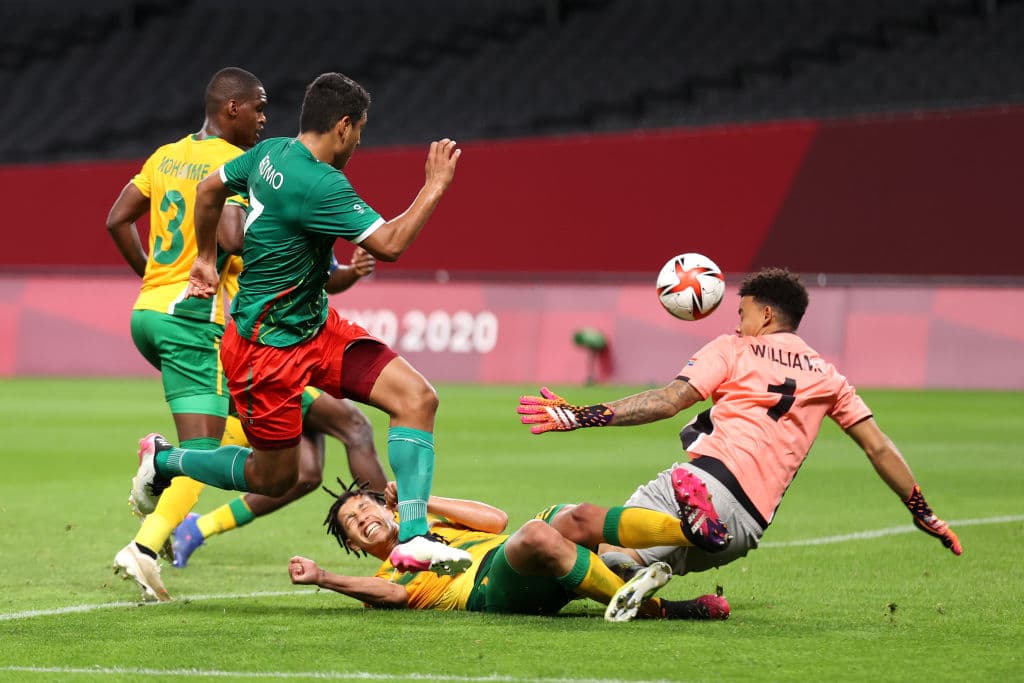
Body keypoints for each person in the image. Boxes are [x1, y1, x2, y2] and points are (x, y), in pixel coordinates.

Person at [129, 71, 470, 576]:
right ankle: (163, 461)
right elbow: (391, 245)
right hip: (264, 350)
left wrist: (204, 258)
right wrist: (435, 186)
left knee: (417, 399)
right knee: (273, 477)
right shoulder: (321, 182)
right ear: (344, 126)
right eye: (360, 131)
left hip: (315, 329)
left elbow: (208, 190)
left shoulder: (273, 155)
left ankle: (415, 537)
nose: (358, 141)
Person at [517, 267, 962, 597]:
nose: (736, 323)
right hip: (746, 528)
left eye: (742, 312)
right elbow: (878, 448)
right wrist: (923, 511)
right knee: (619, 568)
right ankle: (661, 577)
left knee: (590, 538)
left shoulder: (735, 349)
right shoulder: (829, 377)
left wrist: (582, 415)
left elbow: (669, 401)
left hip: (703, 486)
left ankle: (538, 576)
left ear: (766, 315)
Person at [106, 67, 267, 602]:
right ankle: (150, 531)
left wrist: (151, 277)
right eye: (259, 108)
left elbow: (117, 219)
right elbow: (231, 236)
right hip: (192, 320)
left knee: (238, 430)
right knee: (206, 447)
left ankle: (163, 532)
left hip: (149, 312)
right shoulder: (231, 163)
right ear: (232, 110)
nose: (265, 120)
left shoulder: (166, 154)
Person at [287, 480, 730, 622]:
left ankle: (694, 531)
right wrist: (324, 577)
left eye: (364, 505)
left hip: (513, 554)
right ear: (352, 543)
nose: (362, 517)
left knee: (573, 514)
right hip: (490, 589)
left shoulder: (430, 525)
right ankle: (661, 608)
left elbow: (495, 520)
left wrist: (421, 502)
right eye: (352, 522)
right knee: (536, 533)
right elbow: (394, 596)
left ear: (383, 506)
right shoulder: (388, 572)